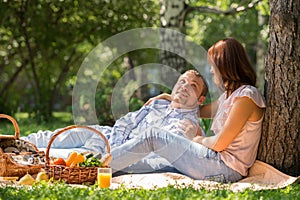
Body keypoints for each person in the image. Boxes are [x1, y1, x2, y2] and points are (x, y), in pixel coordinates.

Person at [109, 38, 266, 183]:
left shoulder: (247, 97)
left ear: (224, 65)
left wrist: (195, 138)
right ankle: (101, 167)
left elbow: (219, 144)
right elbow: (196, 108)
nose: (211, 71)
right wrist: (172, 97)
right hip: (211, 161)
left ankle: (95, 167)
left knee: (154, 136)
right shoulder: (228, 96)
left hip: (225, 168)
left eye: (213, 65)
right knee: (149, 157)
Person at [22, 70, 208, 173]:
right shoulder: (159, 102)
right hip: (111, 135)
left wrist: (112, 153)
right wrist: (112, 137)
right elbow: (129, 121)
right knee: (67, 133)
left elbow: (157, 158)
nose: (184, 87)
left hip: (118, 154)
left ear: (200, 100)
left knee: (66, 156)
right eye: (182, 81)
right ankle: (15, 141)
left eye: (193, 86)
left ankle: (20, 159)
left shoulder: (187, 125)